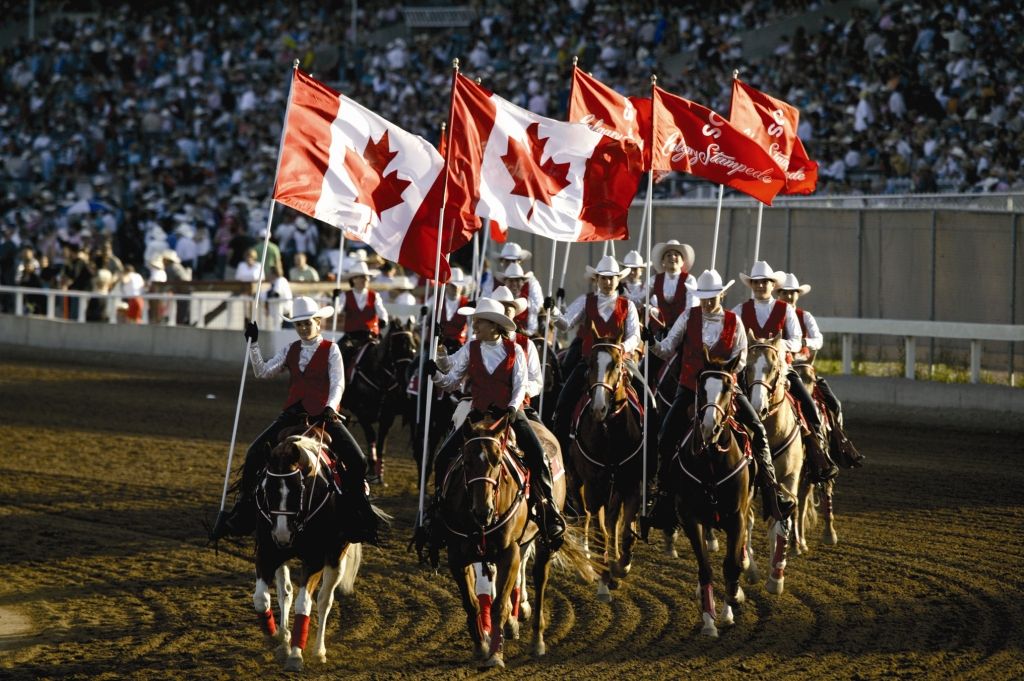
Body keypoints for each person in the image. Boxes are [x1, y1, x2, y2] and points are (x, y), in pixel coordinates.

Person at [209, 296, 383, 545]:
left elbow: (338, 383)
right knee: (254, 452)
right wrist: (254, 344)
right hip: (292, 413)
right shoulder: (290, 349)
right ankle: (244, 512)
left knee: (358, 459)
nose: (302, 328)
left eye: (307, 323)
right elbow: (263, 372)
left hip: (323, 414)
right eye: (298, 324)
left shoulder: (332, 349)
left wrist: (330, 407)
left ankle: (356, 513)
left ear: (318, 322)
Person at [644, 269, 796, 529]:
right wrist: (652, 343)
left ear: (722, 295)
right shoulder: (687, 317)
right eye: (703, 296)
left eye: (713, 296)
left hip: (725, 390)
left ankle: (772, 490)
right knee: (666, 434)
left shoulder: (734, 321)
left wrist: (721, 376)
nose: (708, 301)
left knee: (758, 429)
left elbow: (743, 358)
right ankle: (663, 495)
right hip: (690, 388)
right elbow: (668, 348)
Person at [420, 297, 565, 548]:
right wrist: (435, 374)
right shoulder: (471, 348)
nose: (474, 326)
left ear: (494, 325)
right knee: (443, 457)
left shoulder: (515, 350)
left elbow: (521, 385)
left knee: (538, 454)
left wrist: (511, 407)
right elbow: (452, 381)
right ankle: (438, 512)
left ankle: (548, 509)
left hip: (509, 413)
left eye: (479, 322)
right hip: (477, 415)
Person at [732, 261, 837, 482]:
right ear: (751, 284)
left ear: (772, 285)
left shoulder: (785, 310)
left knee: (808, 404)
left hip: (781, 368)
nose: (760, 286)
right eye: (756, 282)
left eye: (765, 282)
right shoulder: (740, 310)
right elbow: (732, 334)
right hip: (748, 371)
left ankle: (819, 452)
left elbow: (797, 340)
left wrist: (778, 347)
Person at [551, 255, 642, 455]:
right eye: (603, 278)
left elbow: (635, 336)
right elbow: (566, 324)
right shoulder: (586, 301)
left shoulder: (628, 306)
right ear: (597, 280)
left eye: (612, 278)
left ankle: (648, 458)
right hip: (590, 363)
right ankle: (562, 455)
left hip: (620, 363)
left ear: (619, 279)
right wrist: (554, 312)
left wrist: (620, 350)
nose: (608, 282)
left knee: (649, 400)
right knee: (564, 401)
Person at [776, 272, 863, 468]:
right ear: (778, 294)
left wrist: (801, 343)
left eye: (793, 293)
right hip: (781, 369)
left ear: (798, 295)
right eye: (784, 293)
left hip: (803, 369)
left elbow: (819, 340)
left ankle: (834, 446)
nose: (789, 297)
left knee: (834, 404)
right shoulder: (774, 314)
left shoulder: (804, 316)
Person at [491, 285, 544, 415]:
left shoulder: (528, 345)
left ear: (515, 312)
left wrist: (518, 392)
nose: (503, 313)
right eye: (499, 309)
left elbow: (536, 381)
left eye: (507, 309)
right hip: (484, 405)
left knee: (536, 435)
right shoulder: (478, 342)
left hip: (519, 408)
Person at [336, 260, 389, 362]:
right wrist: (336, 299)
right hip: (352, 336)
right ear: (354, 279)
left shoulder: (374, 295)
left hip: (370, 335)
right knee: (338, 353)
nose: (365, 279)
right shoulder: (345, 296)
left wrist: (384, 320)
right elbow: (337, 309)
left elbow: (381, 310)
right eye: (361, 277)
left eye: (366, 277)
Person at [648, 239, 697, 334]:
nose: (672, 257)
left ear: (683, 261)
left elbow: (692, 306)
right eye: (668, 255)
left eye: (676, 254)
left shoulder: (689, 280)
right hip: (658, 331)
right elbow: (640, 299)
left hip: (682, 331)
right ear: (663, 261)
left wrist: (679, 328)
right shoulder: (654, 280)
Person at [497, 261, 543, 336]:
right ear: (505, 282)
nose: (514, 284)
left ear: (523, 283)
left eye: (518, 280)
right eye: (511, 281)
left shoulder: (529, 303)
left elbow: (533, 327)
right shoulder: (498, 299)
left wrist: (524, 334)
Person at [437, 266, 470, 353]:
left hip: (459, 347)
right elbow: (422, 321)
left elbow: (472, 327)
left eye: (459, 285)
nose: (456, 288)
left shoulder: (467, 304)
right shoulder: (435, 301)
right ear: (447, 285)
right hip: (436, 346)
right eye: (453, 285)